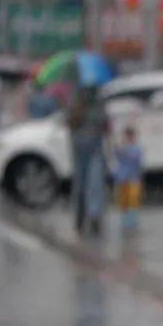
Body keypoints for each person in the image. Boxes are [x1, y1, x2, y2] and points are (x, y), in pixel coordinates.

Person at [66, 88, 108, 234]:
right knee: (80, 185)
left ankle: (95, 217)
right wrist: (79, 111)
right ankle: (80, 216)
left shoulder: (99, 103)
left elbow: (105, 124)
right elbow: (69, 123)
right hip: (79, 150)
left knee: (95, 182)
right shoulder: (74, 103)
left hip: (95, 149)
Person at [113, 125, 144, 230]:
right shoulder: (121, 147)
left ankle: (133, 221)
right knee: (123, 201)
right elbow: (117, 154)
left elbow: (136, 159)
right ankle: (125, 222)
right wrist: (121, 147)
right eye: (127, 135)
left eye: (131, 135)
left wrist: (124, 150)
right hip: (122, 179)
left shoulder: (137, 149)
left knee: (133, 200)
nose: (129, 138)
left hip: (134, 179)